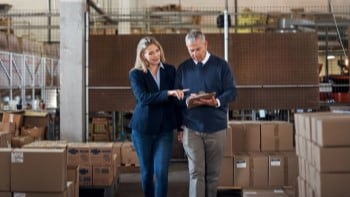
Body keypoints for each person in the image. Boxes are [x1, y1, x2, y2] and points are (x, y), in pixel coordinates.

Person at [175, 29, 237, 197]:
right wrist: (187, 99)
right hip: (191, 128)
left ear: (206, 44)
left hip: (216, 128)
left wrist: (216, 101)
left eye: (198, 49)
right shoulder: (183, 69)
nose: (194, 53)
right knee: (195, 173)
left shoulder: (221, 66)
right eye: (191, 50)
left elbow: (231, 91)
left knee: (213, 174)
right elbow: (176, 97)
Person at [128, 36, 185, 197]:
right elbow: (143, 98)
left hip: (165, 130)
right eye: (150, 53)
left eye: (157, 50)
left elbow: (176, 101)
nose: (155, 55)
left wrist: (180, 127)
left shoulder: (170, 70)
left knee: (161, 173)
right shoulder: (136, 74)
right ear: (142, 56)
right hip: (143, 130)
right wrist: (167, 93)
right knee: (147, 173)